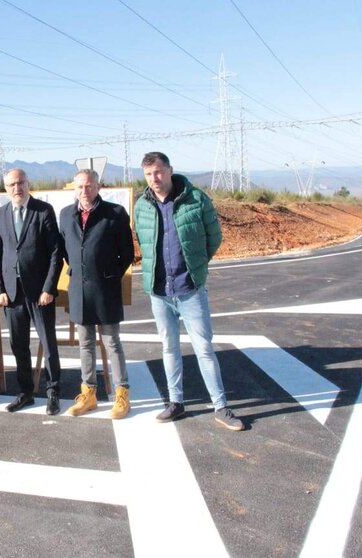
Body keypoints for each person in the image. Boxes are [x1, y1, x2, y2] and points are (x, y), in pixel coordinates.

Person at [134, 152, 243, 431]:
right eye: (148, 174)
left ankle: (221, 406)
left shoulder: (196, 199)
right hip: (159, 291)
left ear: (170, 170)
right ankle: (176, 402)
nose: (154, 179)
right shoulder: (142, 206)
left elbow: (214, 236)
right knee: (169, 348)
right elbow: (144, 243)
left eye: (158, 172)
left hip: (189, 288)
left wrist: (197, 264)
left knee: (204, 348)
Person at [59, 170, 134, 420]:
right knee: (85, 344)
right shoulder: (66, 215)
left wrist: (108, 275)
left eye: (89, 186)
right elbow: (66, 251)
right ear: (74, 188)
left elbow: (126, 253)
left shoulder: (115, 213)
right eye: (80, 186)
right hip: (79, 290)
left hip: (106, 290)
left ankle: (121, 394)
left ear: (98, 186)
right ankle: (88, 393)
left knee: (112, 342)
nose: (84, 191)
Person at [0, 168, 63, 415]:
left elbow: (56, 253)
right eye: (12, 184)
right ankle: (25, 393)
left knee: (49, 345)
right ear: (5, 188)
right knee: (18, 345)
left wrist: (49, 288)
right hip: (12, 293)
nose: (17, 188)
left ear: (28, 184)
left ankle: (53, 392)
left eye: (21, 183)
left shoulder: (43, 210)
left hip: (39, 293)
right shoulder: (0, 214)